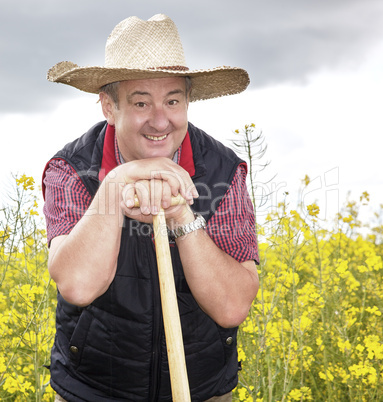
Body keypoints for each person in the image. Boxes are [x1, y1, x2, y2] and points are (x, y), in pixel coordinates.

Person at [43, 14, 259, 402]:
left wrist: (181, 216)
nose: (160, 120)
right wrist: (114, 185)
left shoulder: (225, 171)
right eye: (141, 102)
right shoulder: (71, 169)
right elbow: (77, 285)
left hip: (202, 389)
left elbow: (232, 306)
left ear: (188, 102)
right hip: (93, 390)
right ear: (109, 106)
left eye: (173, 100)